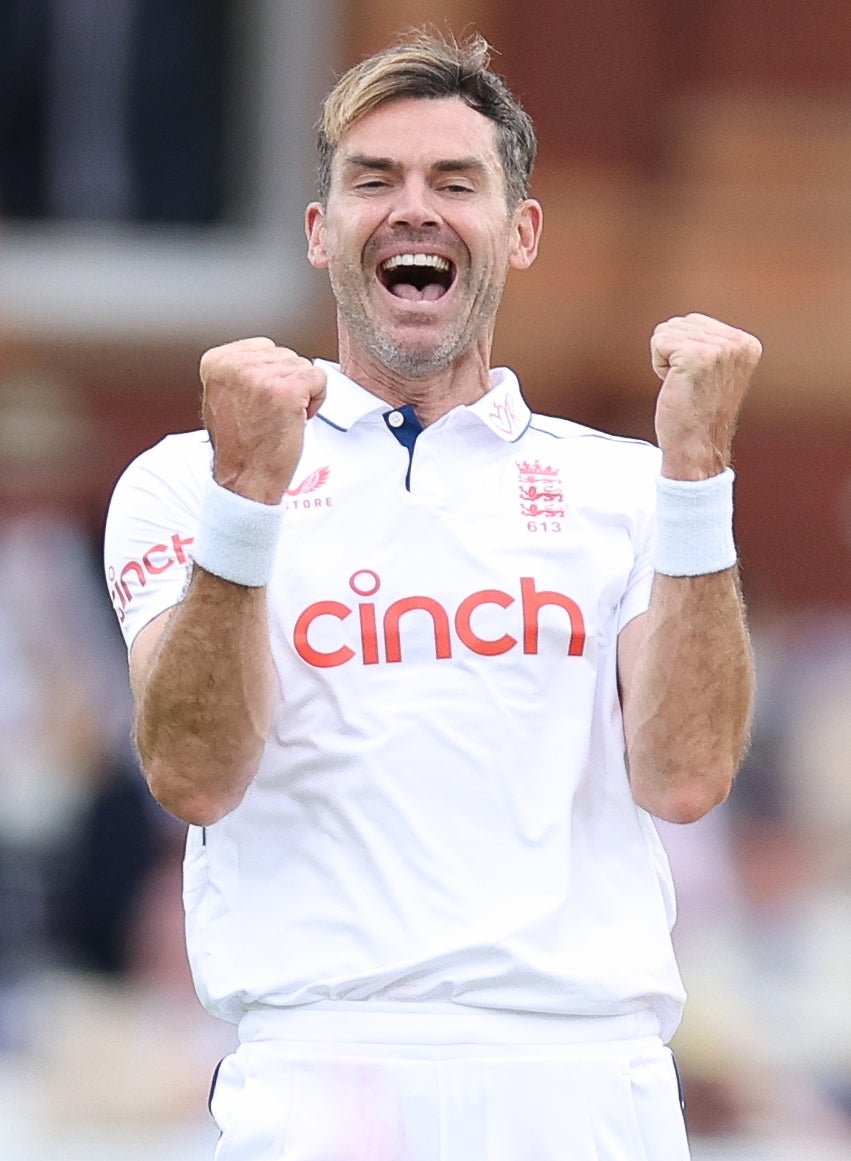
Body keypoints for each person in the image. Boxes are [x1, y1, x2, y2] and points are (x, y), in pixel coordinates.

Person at [103, 29, 761, 1161]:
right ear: (321, 235)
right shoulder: (186, 480)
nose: (413, 209)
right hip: (322, 1068)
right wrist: (248, 495)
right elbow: (193, 776)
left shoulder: (627, 484)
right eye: (373, 181)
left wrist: (697, 477)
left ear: (519, 231)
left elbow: (688, 775)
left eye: (454, 182)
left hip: (582, 1071)